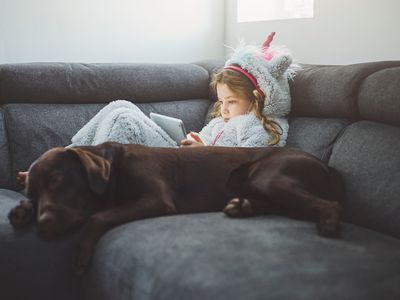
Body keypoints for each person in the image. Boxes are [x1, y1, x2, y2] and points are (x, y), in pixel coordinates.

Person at [67, 32, 299, 149]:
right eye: (222, 101)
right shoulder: (220, 122)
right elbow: (203, 142)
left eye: (232, 102)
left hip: (189, 171)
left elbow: (248, 164)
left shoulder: (263, 127)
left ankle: (84, 172)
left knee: (124, 118)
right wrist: (193, 141)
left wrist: (204, 151)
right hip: (182, 158)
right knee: (120, 106)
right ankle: (68, 157)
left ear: (257, 98)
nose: (224, 109)